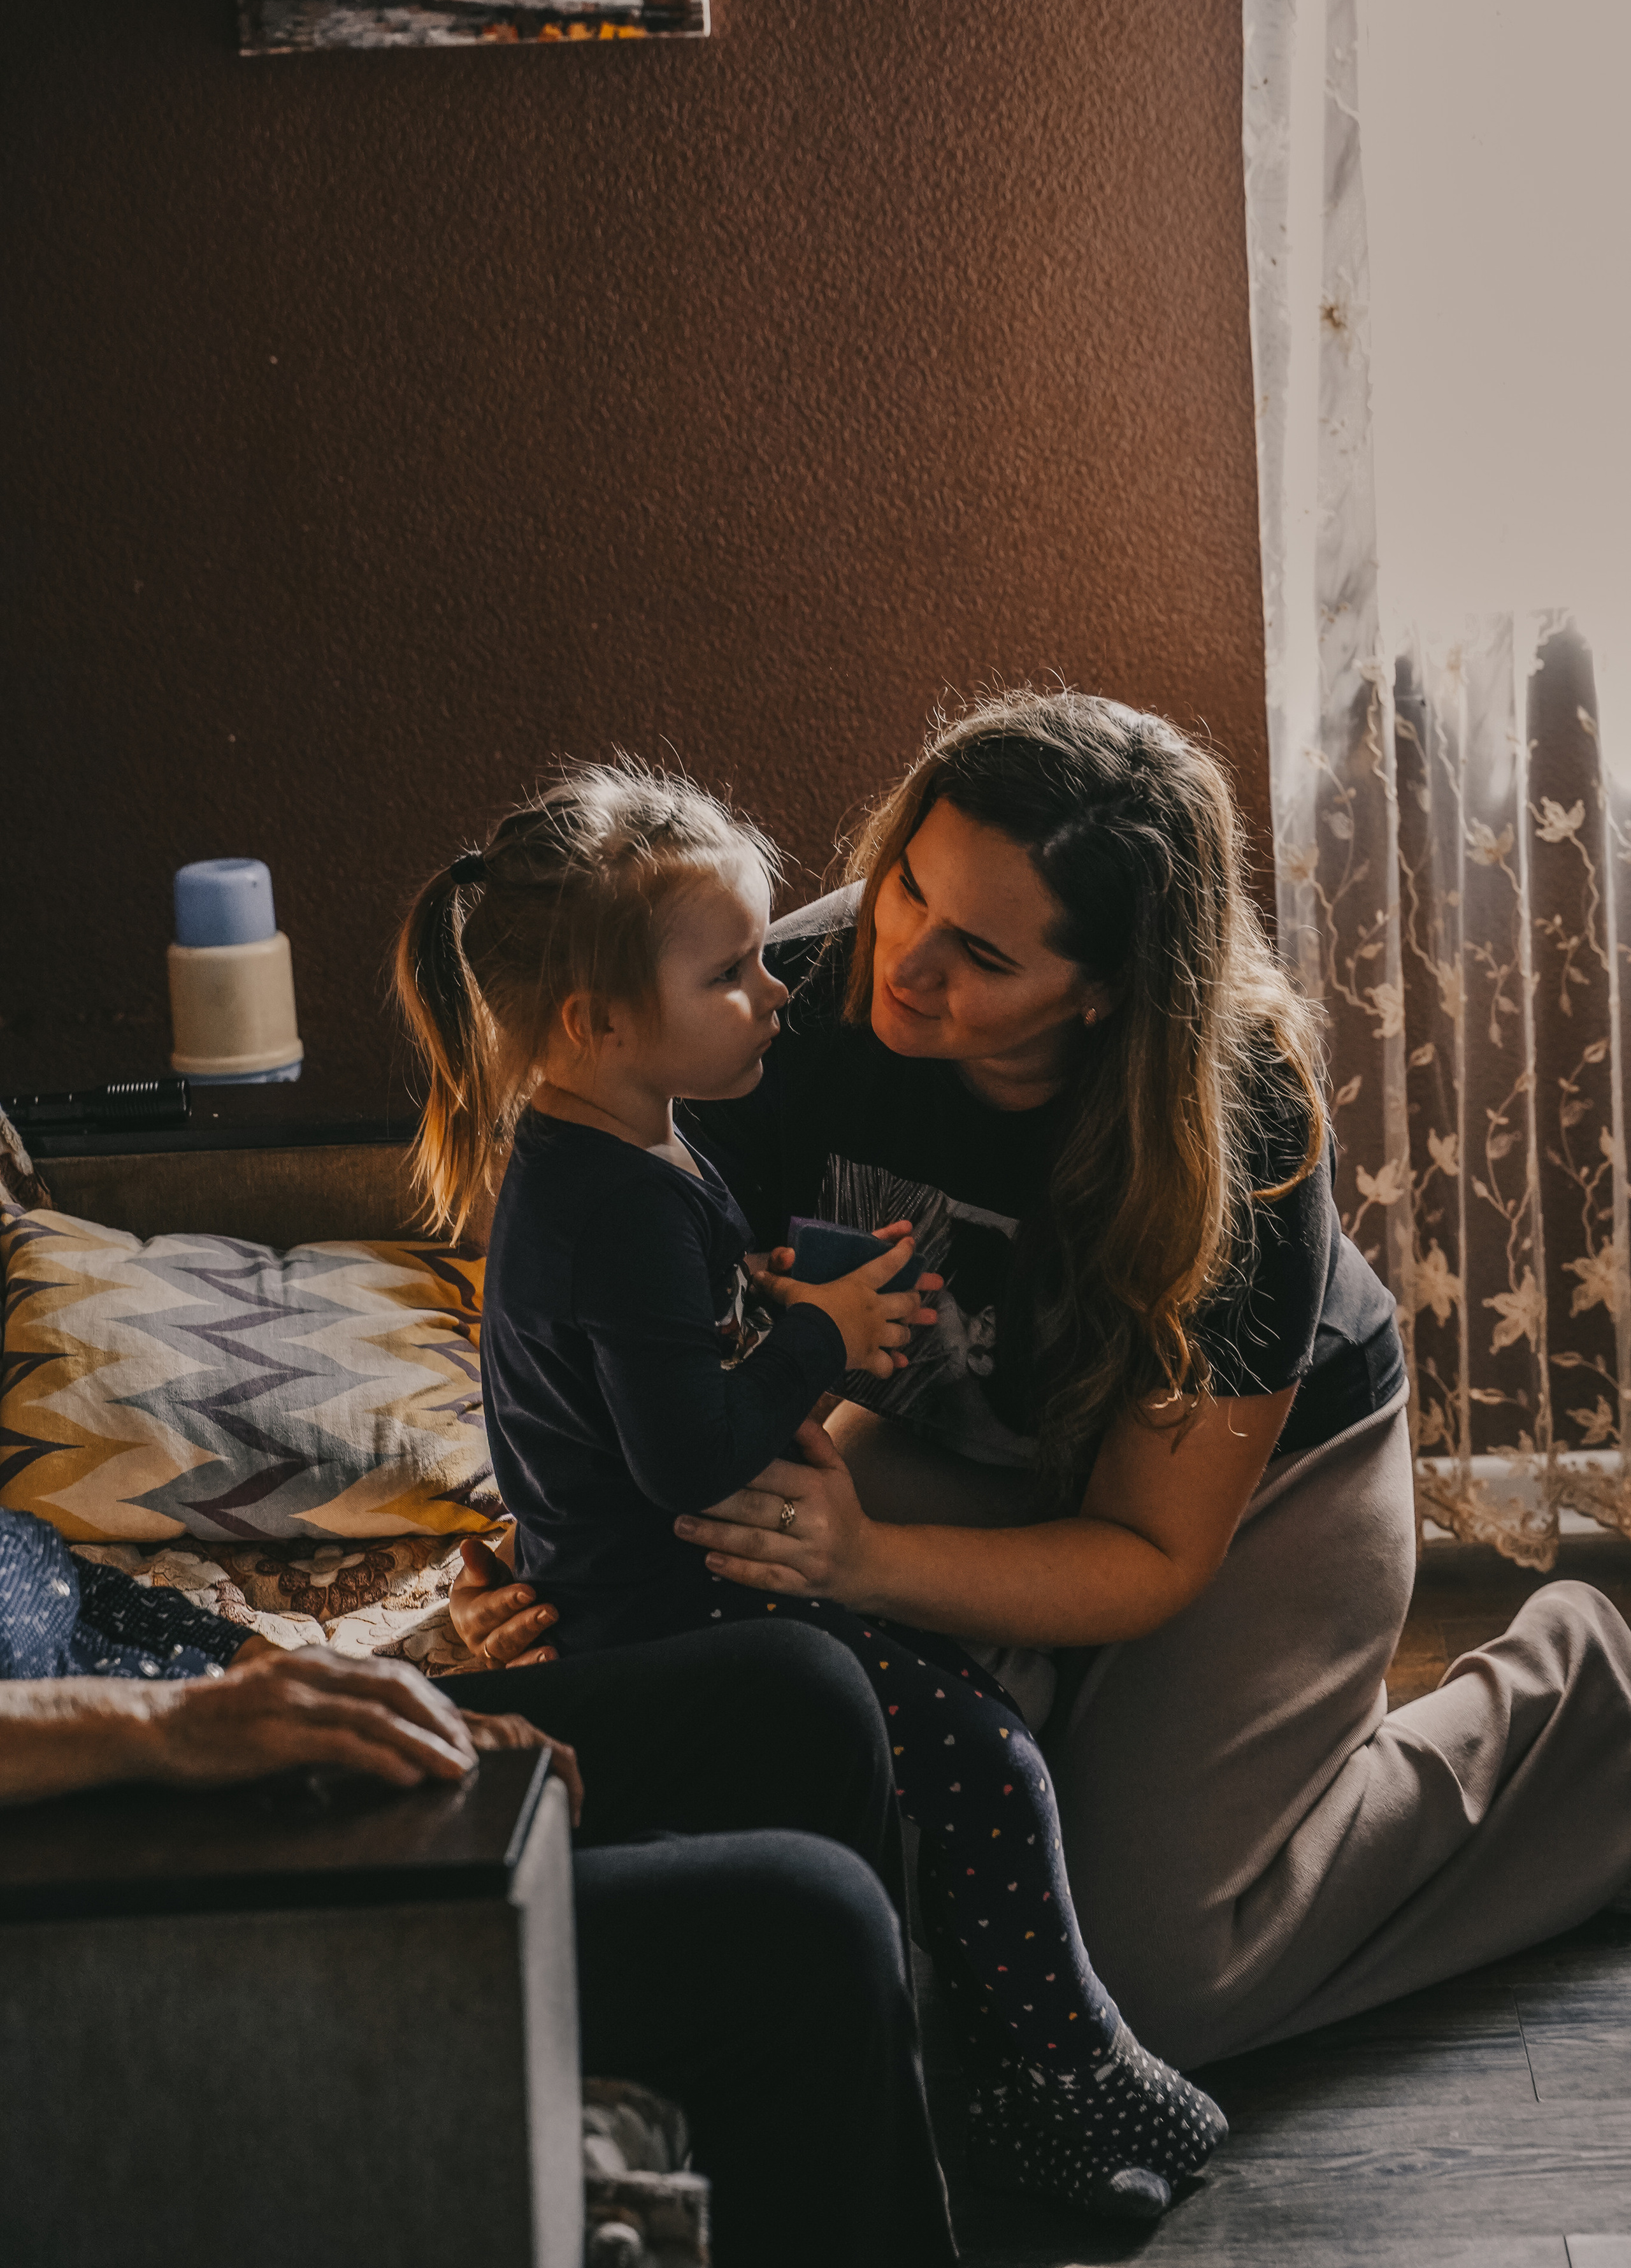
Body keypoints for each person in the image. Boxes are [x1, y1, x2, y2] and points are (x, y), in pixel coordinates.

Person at [453, 688, 1631, 2072]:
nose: (900, 960)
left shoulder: (1241, 1114)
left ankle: (1584, 1706)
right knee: (822, 1757)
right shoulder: (771, 1012)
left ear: (1101, 989)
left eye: (980, 953)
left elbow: (1149, 1548)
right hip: (964, 1432)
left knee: (1162, 1977)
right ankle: (1063, 1722)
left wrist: (868, 1560)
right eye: (905, 885)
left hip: (1244, 1488)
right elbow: (649, 1344)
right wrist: (552, 1546)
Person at [393, 766, 1230, 2221]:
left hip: (729, 1553)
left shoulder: (630, 1132)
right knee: (984, 1764)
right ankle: (1062, 2070)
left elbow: (650, 1352)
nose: (780, 987)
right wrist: (819, 1339)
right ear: (598, 1023)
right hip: (673, 1598)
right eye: (731, 974)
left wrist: (780, 1303)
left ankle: (976, 2048)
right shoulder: (619, 1197)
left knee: (973, 1733)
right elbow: (688, 1458)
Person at [0, 1506, 956, 2268]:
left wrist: (310, 1690)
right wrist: (162, 1726)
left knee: (797, 1698)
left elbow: (78, 1595)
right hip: (93, 1857)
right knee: (803, 1926)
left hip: (166, 1736)